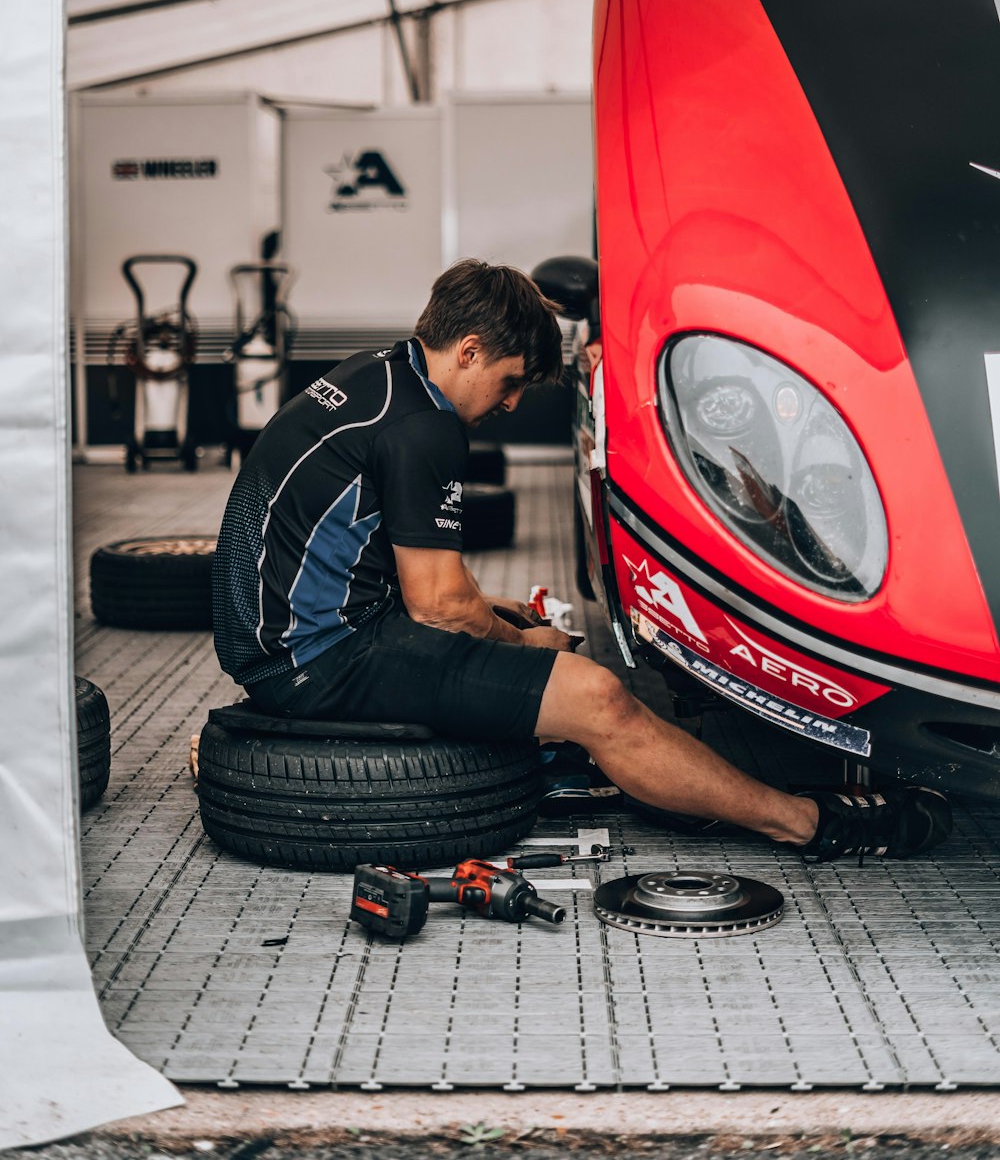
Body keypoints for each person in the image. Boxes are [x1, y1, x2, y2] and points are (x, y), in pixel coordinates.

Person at [212, 259, 951, 865]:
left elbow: (408, 574)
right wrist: (522, 642)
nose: (509, 405)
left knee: (501, 613)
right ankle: (808, 823)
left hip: (284, 637)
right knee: (597, 696)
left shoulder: (379, 376)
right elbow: (437, 605)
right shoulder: (424, 428)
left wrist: (496, 616)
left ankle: (676, 776)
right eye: (509, 381)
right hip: (317, 660)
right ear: (466, 349)